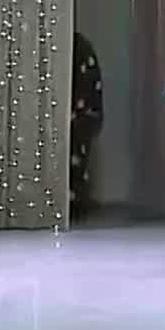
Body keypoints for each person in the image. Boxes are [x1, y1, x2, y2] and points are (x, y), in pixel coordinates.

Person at [70, 32, 104, 219]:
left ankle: (75, 201)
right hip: (81, 114)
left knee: (77, 157)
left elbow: (89, 86)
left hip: (80, 116)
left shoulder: (78, 46)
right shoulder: (78, 45)